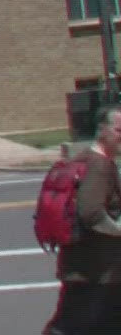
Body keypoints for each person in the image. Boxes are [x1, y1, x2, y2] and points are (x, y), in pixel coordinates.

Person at [47, 106, 121, 334]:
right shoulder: (99, 165)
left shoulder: (84, 159)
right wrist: (118, 230)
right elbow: (91, 213)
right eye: (119, 129)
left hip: (98, 272)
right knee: (69, 328)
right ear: (102, 131)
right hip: (93, 274)